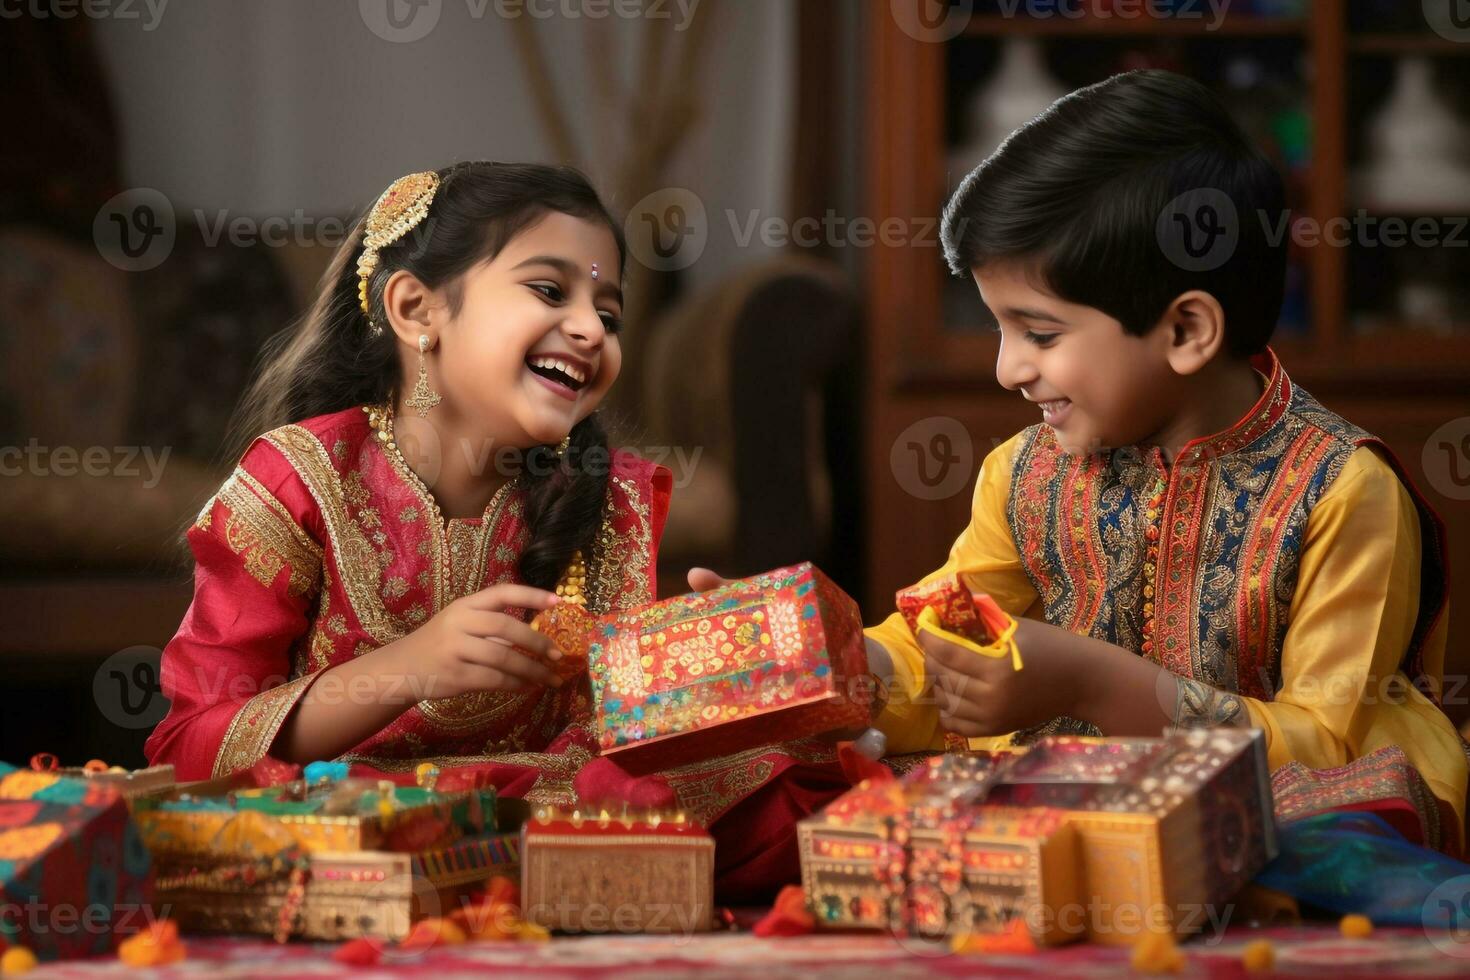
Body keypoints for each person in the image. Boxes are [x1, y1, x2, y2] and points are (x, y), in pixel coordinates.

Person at [146, 163, 849, 895]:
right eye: (550, 291)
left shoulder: (606, 497)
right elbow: (189, 751)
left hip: (548, 800)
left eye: (608, 315)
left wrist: (720, 666)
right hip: (356, 804)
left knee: (805, 789)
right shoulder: (300, 478)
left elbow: (611, 734)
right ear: (417, 310)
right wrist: (408, 668)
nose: (588, 329)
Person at [863, 71, 1468, 855]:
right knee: (845, 769)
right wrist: (823, 658)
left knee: (1350, 812)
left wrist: (1092, 683)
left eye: (1040, 334)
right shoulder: (1023, 474)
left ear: (1186, 330)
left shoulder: (1343, 490)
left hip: (1272, 808)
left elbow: (1324, 743)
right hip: (1082, 789)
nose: (1008, 369)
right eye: (998, 330)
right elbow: (942, 642)